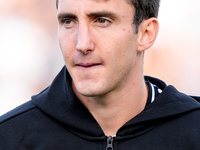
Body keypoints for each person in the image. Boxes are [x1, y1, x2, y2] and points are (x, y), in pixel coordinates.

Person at [0, 0, 200, 149]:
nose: (82, 44)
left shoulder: (193, 130)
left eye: (102, 20)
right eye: (68, 21)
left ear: (146, 34)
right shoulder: (10, 137)